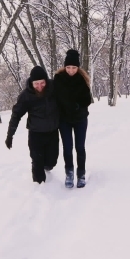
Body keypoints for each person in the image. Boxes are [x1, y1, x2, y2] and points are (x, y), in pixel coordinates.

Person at [6, 66, 59, 184]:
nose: (39, 87)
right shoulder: (26, 96)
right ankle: (39, 188)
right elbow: (16, 115)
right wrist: (10, 135)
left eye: (42, 83)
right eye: (36, 84)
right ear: (31, 82)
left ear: (46, 81)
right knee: (37, 162)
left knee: (51, 162)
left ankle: (47, 167)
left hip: (52, 132)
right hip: (36, 134)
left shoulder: (54, 88)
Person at [54, 49, 92, 188]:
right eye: (68, 67)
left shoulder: (82, 80)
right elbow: (55, 98)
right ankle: (69, 173)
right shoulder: (58, 79)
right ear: (65, 67)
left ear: (78, 67)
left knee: (80, 147)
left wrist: (77, 106)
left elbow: (88, 100)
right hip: (64, 120)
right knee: (67, 147)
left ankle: (81, 174)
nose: (71, 70)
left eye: (74, 67)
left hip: (80, 119)